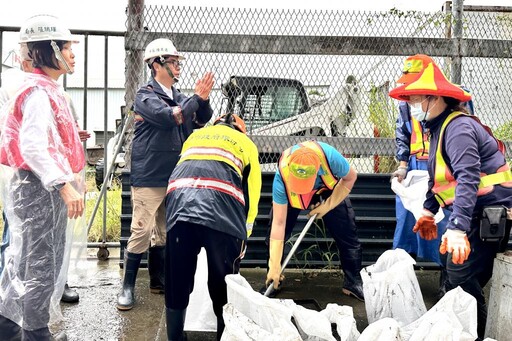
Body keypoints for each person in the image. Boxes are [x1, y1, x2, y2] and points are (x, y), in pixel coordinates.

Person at [389, 60, 512, 339]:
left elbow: (468, 179)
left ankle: (476, 333)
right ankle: (466, 330)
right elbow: (442, 180)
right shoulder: (439, 127)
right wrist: (428, 211)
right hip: (475, 212)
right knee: (452, 272)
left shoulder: (458, 129)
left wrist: (456, 229)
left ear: (435, 97)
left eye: (416, 98)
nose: (411, 104)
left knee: (460, 279)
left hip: (488, 215)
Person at [0, 14, 85, 340]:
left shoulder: (47, 90)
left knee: (22, 265)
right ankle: (36, 333)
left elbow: (45, 142)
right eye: (67, 48)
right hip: (39, 191)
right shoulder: (39, 93)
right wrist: (64, 186)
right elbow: (33, 147)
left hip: (36, 190)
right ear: (49, 51)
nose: (73, 54)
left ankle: (8, 328)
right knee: (39, 269)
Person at [117, 38, 214, 311]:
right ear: (156, 64)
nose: (177, 66)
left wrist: (202, 99)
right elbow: (170, 117)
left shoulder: (179, 95)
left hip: (174, 175)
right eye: (172, 61)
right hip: (150, 175)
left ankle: (158, 280)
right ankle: (127, 287)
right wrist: (196, 99)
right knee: (141, 230)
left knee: (163, 231)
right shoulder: (145, 96)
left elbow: (201, 118)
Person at [165, 113, 261, 340]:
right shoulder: (246, 144)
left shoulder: (195, 137)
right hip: (223, 211)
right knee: (223, 283)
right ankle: (224, 335)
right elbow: (253, 194)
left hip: (180, 207)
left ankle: (175, 338)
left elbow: (181, 169)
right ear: (241, 130)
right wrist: (244, 234)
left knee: (177, 280)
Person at [390, 54, 474, 300]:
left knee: (446, 221)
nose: (412, 97)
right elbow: (402, 133)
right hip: (416, 166)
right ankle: (401, 284)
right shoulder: (407, 101)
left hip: (443, 165)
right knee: (407, 222)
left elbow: (464, 133)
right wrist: (403, 164)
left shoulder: (458, 97)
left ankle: (449, 280)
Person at [264, 140, 365, 301]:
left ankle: (353, 282)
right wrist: (274, 264)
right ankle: (273, 278)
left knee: (347, 233)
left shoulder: (330, 157)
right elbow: (279, 223)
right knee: (273, 234)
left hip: (328, 191)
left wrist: (329, 205)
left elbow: (351, 177)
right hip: (292, 196)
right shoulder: (281, 178)